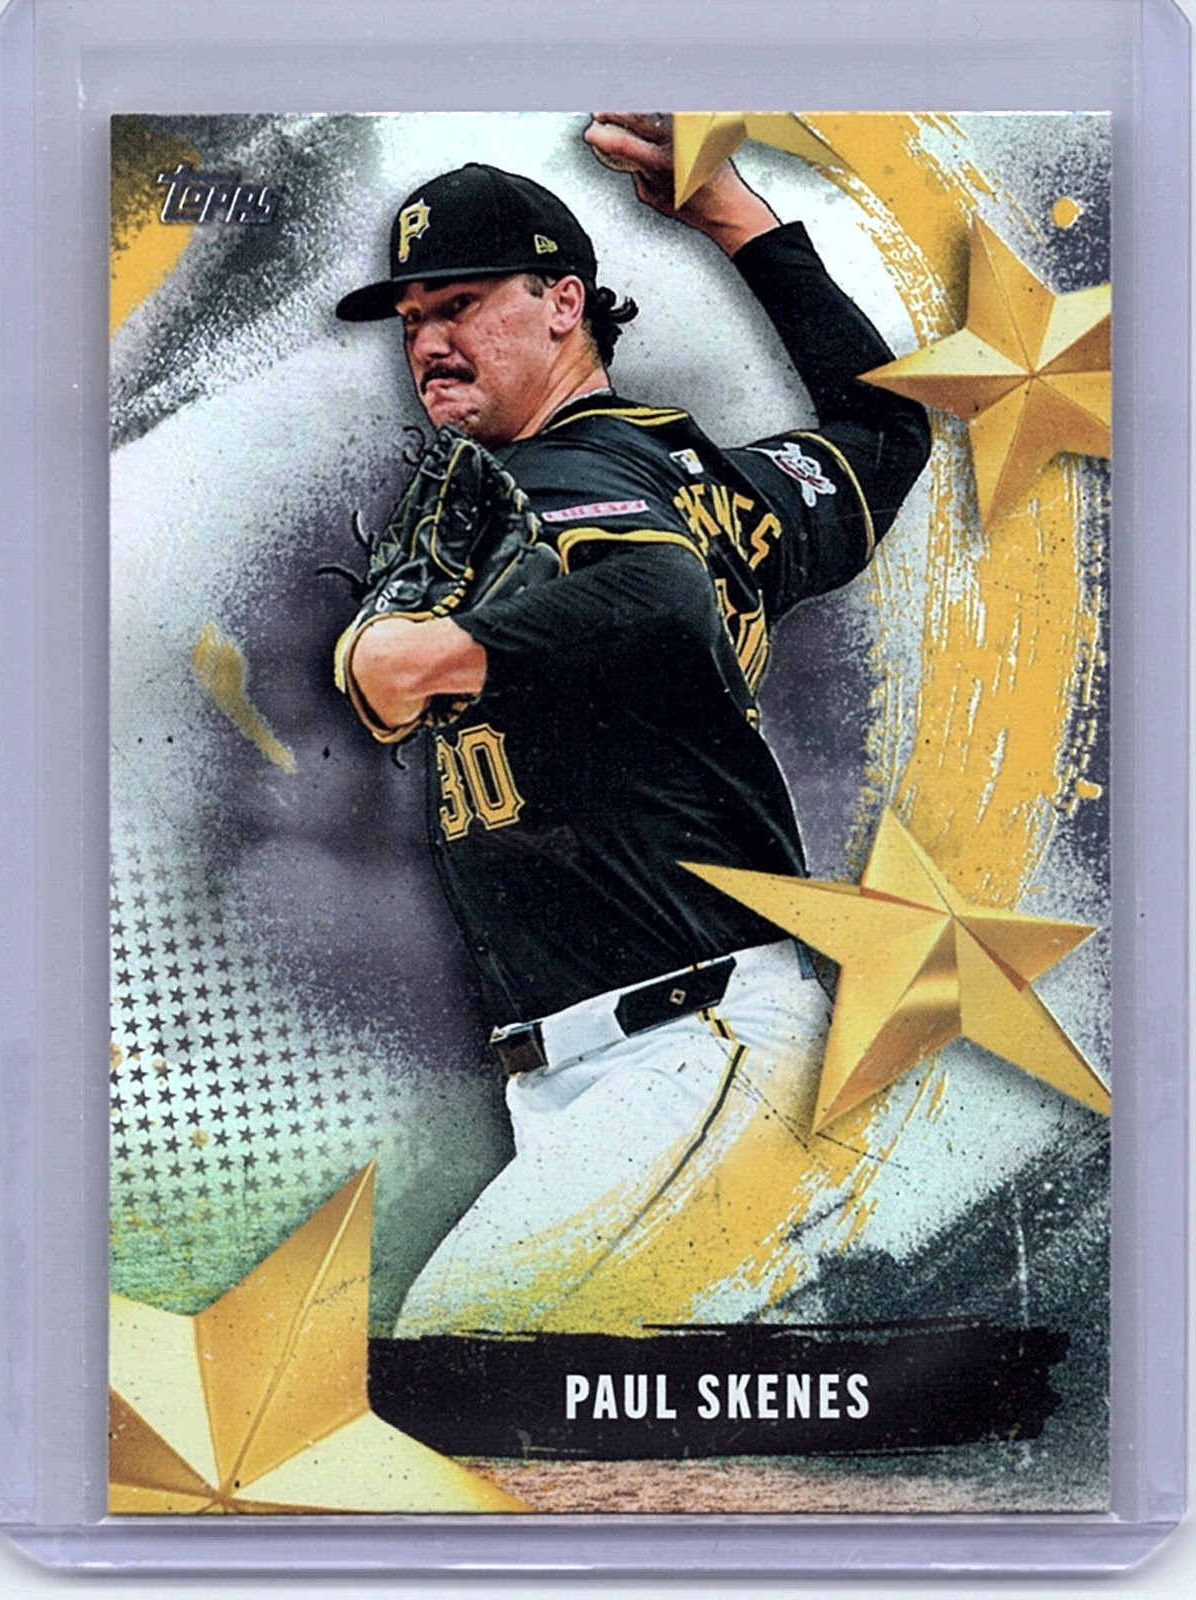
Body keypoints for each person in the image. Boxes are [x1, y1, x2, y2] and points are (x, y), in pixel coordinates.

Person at [333, 114, 930, 1334]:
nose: (430, 341)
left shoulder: (567, 477)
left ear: (566, 303)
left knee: (450, 1368)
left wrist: (441, 646)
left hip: (688, 1045)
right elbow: (883, 431)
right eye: (412, 319)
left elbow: (659, 595)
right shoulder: (698, 481)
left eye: (462, 303)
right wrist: (731, 215)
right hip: (637, 1064)